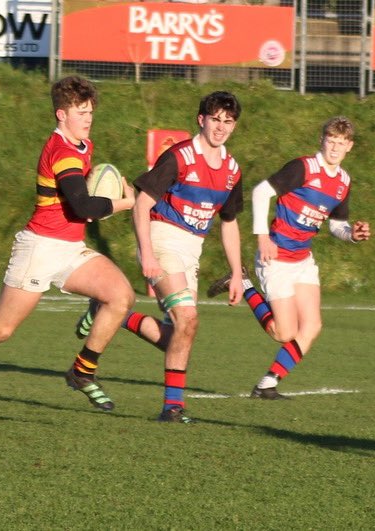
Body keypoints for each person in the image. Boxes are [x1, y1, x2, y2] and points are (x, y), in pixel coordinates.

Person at [0, 75, 136, 412]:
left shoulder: (82, 145)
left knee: (120, 295)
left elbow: (81, 210)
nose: (88, 118)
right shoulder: (62, 150)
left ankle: (82, 371)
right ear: (61, 114)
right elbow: (83, 207)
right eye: (80, 112)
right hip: (40, 248)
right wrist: (124, 203)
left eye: (90, 112)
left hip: (70, 247)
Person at [76, 91, 245, 423]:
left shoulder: (232, 169)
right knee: (189, 320)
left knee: (177, 335)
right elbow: (141, 204)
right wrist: (148, 254)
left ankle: (110, 312)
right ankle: (172, 407)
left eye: (228, 122)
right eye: (215, 119)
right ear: (201, 120)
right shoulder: (179, 157)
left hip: (190, 250)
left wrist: (237, 273)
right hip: (162, 239)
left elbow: (229, 222)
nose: (221, 127)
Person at [207, 116, 370, 399]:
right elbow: (260, 192)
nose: (334, 148)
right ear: (322, 140)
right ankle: (245, 284)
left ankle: (267, 384)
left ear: (349, 147)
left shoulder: (343, 182)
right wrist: (262, 236)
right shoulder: (303, 168)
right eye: (330, 140)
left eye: (340, 143)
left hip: (302, 261)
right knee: (284, 332)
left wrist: (351, 235)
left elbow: (336, 225)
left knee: (312, 326)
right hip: (277, 258)